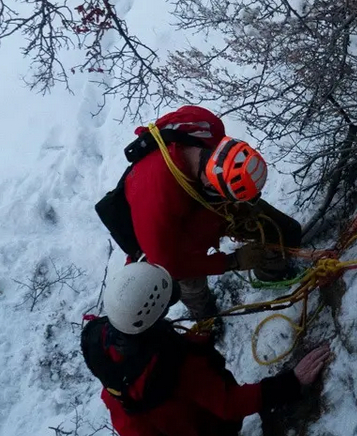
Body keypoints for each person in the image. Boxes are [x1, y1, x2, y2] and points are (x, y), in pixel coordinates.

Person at [81, 260, 332, 436]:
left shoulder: (103, 345)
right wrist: (291, 383)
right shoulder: (179, 365)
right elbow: (229, 404)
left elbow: (138, 435)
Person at [122, 105, 304, 322]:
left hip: (204, 204)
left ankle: (272, 272)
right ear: (210, 182)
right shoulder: (155, 197)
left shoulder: (206, 126)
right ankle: (206, 318)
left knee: (282, 230)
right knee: (191, 285)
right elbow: (168, 262)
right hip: (171, 238)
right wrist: (232, 262)